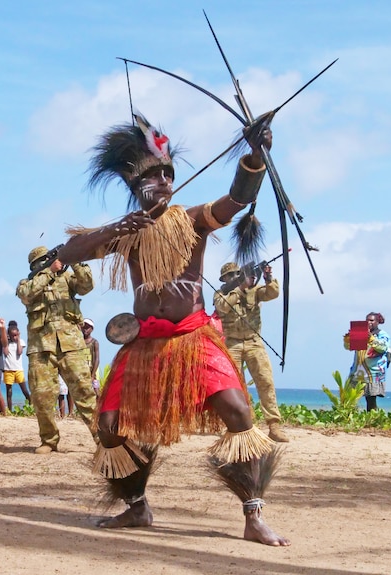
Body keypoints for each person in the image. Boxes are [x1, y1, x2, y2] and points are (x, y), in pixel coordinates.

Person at [54, 113, 287, 545]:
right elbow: (69, 253)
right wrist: (117, 228)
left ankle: (253, 513)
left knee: (239, 413)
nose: (163, 181)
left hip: (192, 337)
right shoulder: (125, 233)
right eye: (154, 175)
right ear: (134, 186)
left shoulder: (193, 219)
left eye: (168, 174)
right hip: (143, 342)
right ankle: (136, 507)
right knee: (109, 427)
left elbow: (234, 202)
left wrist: (254, 155)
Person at [16, 247, 97, 454]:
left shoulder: (68, 279)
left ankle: (102, 438)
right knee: (42, 397)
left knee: (85, 392)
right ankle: (49, 440)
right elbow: (26, 295)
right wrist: (49, 271)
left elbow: (87, 285)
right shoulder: (28, 283)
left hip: (71, 345)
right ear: (37, 265)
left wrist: (76, 260)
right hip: (41, 347)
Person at [214, 261, 287, 440]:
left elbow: (272, 293)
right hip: (232, 344)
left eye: (237, 274)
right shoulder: (220, 293)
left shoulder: (254, 290)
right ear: (225, 279)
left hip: (254, 342)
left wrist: (269, 278)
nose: (235, 277)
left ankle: (274, 426)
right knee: (234, 387)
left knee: (265, 381)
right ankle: (240, 424)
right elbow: (223, 306)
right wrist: (239, 287)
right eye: (232, 275)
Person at [343, 312, 391, 411]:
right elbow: (348, 348)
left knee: (371, 400)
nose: (369, 322)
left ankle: (372, 420)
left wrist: (371, 338)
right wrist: (348, 339)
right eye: (367, 320)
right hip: (358, 370)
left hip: (373, 371)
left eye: (372, 320)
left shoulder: (382, 335)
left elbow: (383, 347)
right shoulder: (360, 334)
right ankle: (350, 419)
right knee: (349, 399)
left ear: (377, 322)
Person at [3, 320, 31, 411]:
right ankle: (10, 410)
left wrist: (18, 339)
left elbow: (19, 352)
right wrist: (6, 341)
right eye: (13, 336)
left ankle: (31, 406)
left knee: (25, 390)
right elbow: (6, 353)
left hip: (18, 370)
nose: (14, 337)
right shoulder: (6, 343)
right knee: (9, 392)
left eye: (16, 335)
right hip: (8, 370)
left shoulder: (21, 342)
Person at [82, 319, 101, 394]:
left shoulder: (94, 342)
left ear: (92, 329)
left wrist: (93, 375)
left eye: (87, 328)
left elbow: (97, 359)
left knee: (96, 392)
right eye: (84, 327)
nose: (85, 329)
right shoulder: (79, 342)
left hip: (91, 371)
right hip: (81, 372)